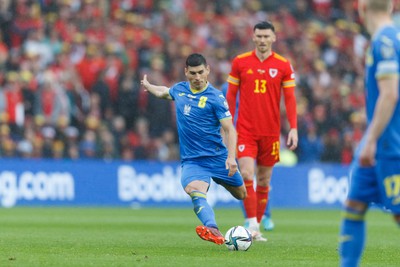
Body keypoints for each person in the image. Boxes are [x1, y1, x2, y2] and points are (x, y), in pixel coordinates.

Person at [141, 53, 247, 245]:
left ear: (207, 70)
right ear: (186, 72)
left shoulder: (215, 97)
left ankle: (219, 181)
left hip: (218, 158)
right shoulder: (180, 90)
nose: (197, 77)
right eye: (193, 73)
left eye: (200, 72)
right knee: (194, 190)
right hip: (193, 161)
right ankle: (212, 228)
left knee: (241, 194)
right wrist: (149, 87)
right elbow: (164, 92)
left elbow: (230, 130)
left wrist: (231, 158)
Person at [338, 1, 400, 266]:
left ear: (361, 8)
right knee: (355, 203)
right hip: (380, 141)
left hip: (389, 144)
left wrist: (370, 140)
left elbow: (390, 94)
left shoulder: (384, 41)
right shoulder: (384, 39)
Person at [226, 21, 298, 241]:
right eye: (259, 36)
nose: (263, 40)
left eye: (267, 36)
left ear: (274, 38)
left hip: (270, 132)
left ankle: (255, 225)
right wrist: (227, 124)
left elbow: (290, 99)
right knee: (247, 174)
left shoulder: (284, 65)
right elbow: (230, 95)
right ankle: (252, 224)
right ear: (253, 37)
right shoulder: (240, 62)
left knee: (264, 180)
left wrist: (293, 127)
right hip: (245, 130)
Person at [221, 81, 275, 231]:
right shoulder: (227, 88)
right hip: (238, 138)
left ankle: (265, 215)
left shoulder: (257, 84)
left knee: (262, 177)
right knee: (244, 178)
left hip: (258, 135)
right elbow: (223, 116)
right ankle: (249, 217)